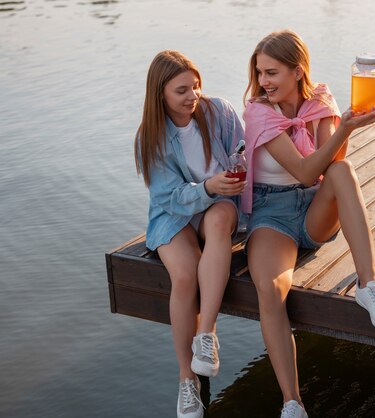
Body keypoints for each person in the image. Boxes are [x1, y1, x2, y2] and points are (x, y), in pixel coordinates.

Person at [242, 30, 375, 418]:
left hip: (314, 211)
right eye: (260, 73)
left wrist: (341, 126)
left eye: (272, 72)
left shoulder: (319, 101)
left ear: (298, 72)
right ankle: (293, 403)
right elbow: (302, 170)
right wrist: (346, 127)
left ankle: (370, 285)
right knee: (270, 288)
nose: (264, 82)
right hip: (272, 215)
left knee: (344, 170)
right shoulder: (258, 111)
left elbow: (329, 167)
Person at [134, 50, 245, 418]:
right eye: (181, 90)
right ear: (160, 94)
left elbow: (245, 153)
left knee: (217, 224)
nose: (192, 95)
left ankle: (206, 336)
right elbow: (169, 197)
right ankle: (187, 380)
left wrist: (234, 171)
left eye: (196, 85)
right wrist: (208, 187)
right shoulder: (151, 138)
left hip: (218, 206)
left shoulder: (220, 113)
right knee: (184, 276)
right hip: (174, 213)